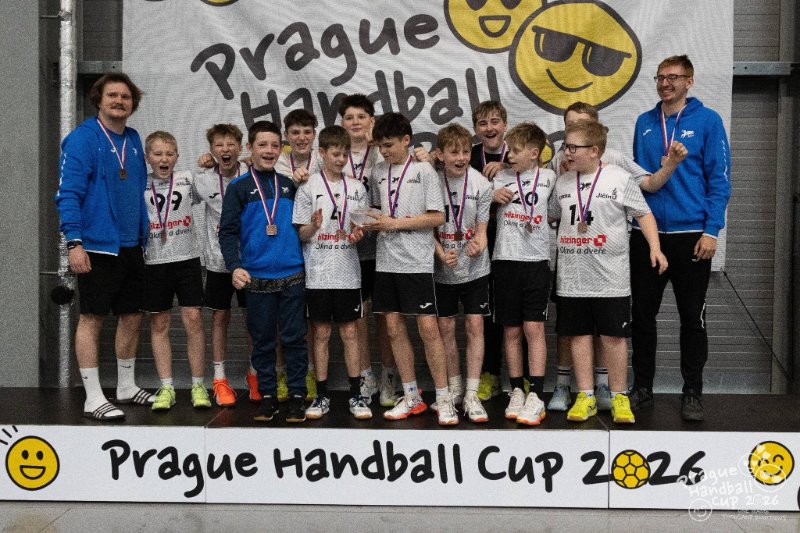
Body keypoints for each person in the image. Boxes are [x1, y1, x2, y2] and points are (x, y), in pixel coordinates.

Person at [547, 102, 687, 413]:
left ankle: (619, 395)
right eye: (566, 146)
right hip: (573, 277)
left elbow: (644, 213)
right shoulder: (563, 181)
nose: (566, 152)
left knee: (613, 337)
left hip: (610, 277)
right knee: (578, 335)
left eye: (573, 147)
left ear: (594, 150)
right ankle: (585, 396)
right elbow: (552, 214)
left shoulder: (619, 178)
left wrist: (654, 247)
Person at [629, 55, 731, 421]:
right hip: (648, 235)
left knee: (692, 318)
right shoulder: (644, 122)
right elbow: (640, 181)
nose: (666, 83)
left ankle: (692, 392)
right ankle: (642, 388)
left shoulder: (708, 120)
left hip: (691, 236)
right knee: (642, 316)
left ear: (689, 81)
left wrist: (711, 230)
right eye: (661, 77)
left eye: (674, 77)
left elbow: (719, 179)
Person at [55, 72, 153, 421]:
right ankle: (93, 397)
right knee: (92, 317)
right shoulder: (83, 139)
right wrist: (74, 243)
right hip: (97, 246)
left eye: (125, 97)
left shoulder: (134, 138)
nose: (119, 101)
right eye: (112, 95)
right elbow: (68, 194)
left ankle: (125, 386)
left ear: (133, 103)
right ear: (98, 99)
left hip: (131, 245)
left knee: (132, 315)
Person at [364, 112, 456, 425]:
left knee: (428, 330)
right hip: (386, 261)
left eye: (389, 145)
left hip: (416, 261)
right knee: (392, 328)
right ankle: (412, 395)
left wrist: (394, 224)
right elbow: (379, 210)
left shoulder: (424, 170)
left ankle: (444, 398)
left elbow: (437, 217)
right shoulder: (378, 170)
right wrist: (365, 221)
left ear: (406, 140)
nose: (384, 151)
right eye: (380, 146)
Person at [218, 120, 308, 423]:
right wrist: (234, 266)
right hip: (256, 277)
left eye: (274, 145)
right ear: (250, 148)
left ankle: (297, 395)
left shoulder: (291, 185)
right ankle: (268, 396)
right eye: (262, 145)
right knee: (263, 340)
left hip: (292, 273)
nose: (269, 151)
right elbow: (227, 232)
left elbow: (303, 225)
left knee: (294, 338)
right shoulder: (238, 188)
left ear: (280, 149)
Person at [293, 125, 371, 420]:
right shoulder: (308, 187)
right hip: (318, 273)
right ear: (322, 153)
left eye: (345, 154)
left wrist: (357, 235)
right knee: (321, 333)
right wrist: (313, 226)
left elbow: (359, 229)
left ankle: (357, 395)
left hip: (348, 273)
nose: (340, 160)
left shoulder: (357, 188)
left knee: (350, 332)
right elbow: (300, 234)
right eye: (335, 154)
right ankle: (322, 395)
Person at [491, 122, 555, 425]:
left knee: (534, 328)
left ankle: (536, 394)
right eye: (509, 150)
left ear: (534, 153)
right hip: (505, 260)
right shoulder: (499, 177)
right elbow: (477, 202)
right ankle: (517, 389)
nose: (510, 156)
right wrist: (492, 196)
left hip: (536, 262)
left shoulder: (550, 178)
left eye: (516, 151)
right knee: (511, 331)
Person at [141, 131, 209, 411]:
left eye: (169, 153)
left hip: (187, 259)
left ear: (177, 156)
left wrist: (209, 165)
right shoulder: (140, 183)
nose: (164, 159)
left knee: (193, 320)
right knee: (159, 323)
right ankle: (167, 386)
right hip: (155, 262)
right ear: (148, 157)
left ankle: (198, 385)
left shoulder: (187, 178)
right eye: (158, 154)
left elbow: (215, 189)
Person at [433, 124, 492, 423]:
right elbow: (427, 228)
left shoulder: (482, 184)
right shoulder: (431, 182)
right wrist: (441, 252)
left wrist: (477, 245)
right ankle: (454, 388)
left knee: (474, 327)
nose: (461, 158)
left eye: (466, 151)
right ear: (440, 154)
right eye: (454, 152)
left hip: (475, 268)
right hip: (441, 267)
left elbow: (482, 232)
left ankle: (471, 393)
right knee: (445, 329)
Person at [337, 94, 393, 406]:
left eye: (362, 116)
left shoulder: (383, 150)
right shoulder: (335, 153)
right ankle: (366, 374)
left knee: (385, 317)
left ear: (372, 120)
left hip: (382, 245)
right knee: (358, 316)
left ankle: (388, 376)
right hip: (349, 247)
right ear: (342, 123)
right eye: (350, 117)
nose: (355, 122)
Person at [193, 123, 250, 407]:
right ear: (211, 150)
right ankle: (219, 378)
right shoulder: (202, 179)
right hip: (217, 262)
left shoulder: (252, 173)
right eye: (218, 145)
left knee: (255, 318)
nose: (225, 150)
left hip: (249, 260)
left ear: (240, 147)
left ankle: (255, 374)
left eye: (230, 145)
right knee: (219, 318)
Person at [274, 108, 321, 403]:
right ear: (286, 136)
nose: (301, 138)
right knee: (284, 318)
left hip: (317, 247)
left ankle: (310, 374)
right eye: (295, 133)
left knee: (312, 320)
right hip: (284, 246)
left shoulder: (324, 160)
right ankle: (282, 374)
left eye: (307, 132)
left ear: (314, 135)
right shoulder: (277, 162)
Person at [469, 101, 512, 402]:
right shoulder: (469, 155)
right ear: (475, 129)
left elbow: (538, 176)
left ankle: (523, 380)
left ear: (505, 125)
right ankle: (490, 374)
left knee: (512, 311)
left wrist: (508, 167)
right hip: (478, 238)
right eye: (482, 123)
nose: (489, 128)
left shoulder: (518, 152)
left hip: (512, 241)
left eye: (495, 121)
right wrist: (488, 193)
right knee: (484, 310)